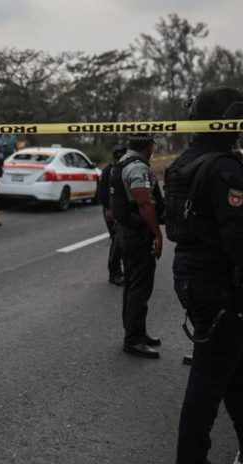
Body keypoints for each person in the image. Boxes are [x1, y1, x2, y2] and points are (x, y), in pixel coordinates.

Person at [167, 86, 243, 464]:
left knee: (232, 369)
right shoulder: (226, 168)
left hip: (191, 274)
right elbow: (237, 237)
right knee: (210, 376)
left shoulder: (186, 161)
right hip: (218, 285)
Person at [109, 133, 164, 358]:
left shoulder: (123, 162)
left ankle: (137, 332)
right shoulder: (137, 168)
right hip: (137, 236)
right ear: (149, 146)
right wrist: (157, 234)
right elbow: (143, 202)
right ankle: (133, 340)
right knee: (140, 288)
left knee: (133, 286)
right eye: (153, 144)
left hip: (126, 233)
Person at [98, 143, 128, 286]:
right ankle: (114, 273)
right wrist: (108, 209)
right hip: (112, 212)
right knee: (116, 242)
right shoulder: (108, 171)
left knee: (123, 241)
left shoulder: (127, 169)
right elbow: (102, 193)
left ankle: (123, 270)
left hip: (124, 211)